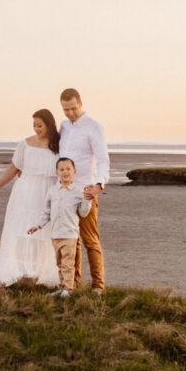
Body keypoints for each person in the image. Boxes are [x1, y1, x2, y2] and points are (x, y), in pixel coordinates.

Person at [0, 109, 59, 287]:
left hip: (50, 192)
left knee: (46, 234)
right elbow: (13, 168)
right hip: (25, 192)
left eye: (40, 125)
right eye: (34, 125)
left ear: (49, 125)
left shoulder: (59, 144)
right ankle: (22, 271)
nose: (36, 129)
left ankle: (42, 274)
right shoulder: (25, 144)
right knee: (22, 231)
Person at [58, 88, 110, 292]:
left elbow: (104, 160)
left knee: (90, 239)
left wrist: (99, 185)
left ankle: (98, 285)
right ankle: (74, 282)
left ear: (80, 103)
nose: (69, 113)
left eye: (72, 108)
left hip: (85, 191)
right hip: (65, 190)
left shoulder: (94, 127)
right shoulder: (63, 126)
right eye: (65, 109)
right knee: (72, 239)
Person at [28, 157, 92, 297]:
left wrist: (87, 200)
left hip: (70, 234)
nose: (65, 172)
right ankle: (62, 287)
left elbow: (83, 212)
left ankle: (68, 290)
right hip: (55, 234)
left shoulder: (78, 192)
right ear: (57, 172)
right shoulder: (52, 191)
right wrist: (36, 225)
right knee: (59, 263)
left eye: (68, 169)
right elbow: (47, 213)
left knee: (68, 264)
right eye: (61, 169)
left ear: (74, 171)